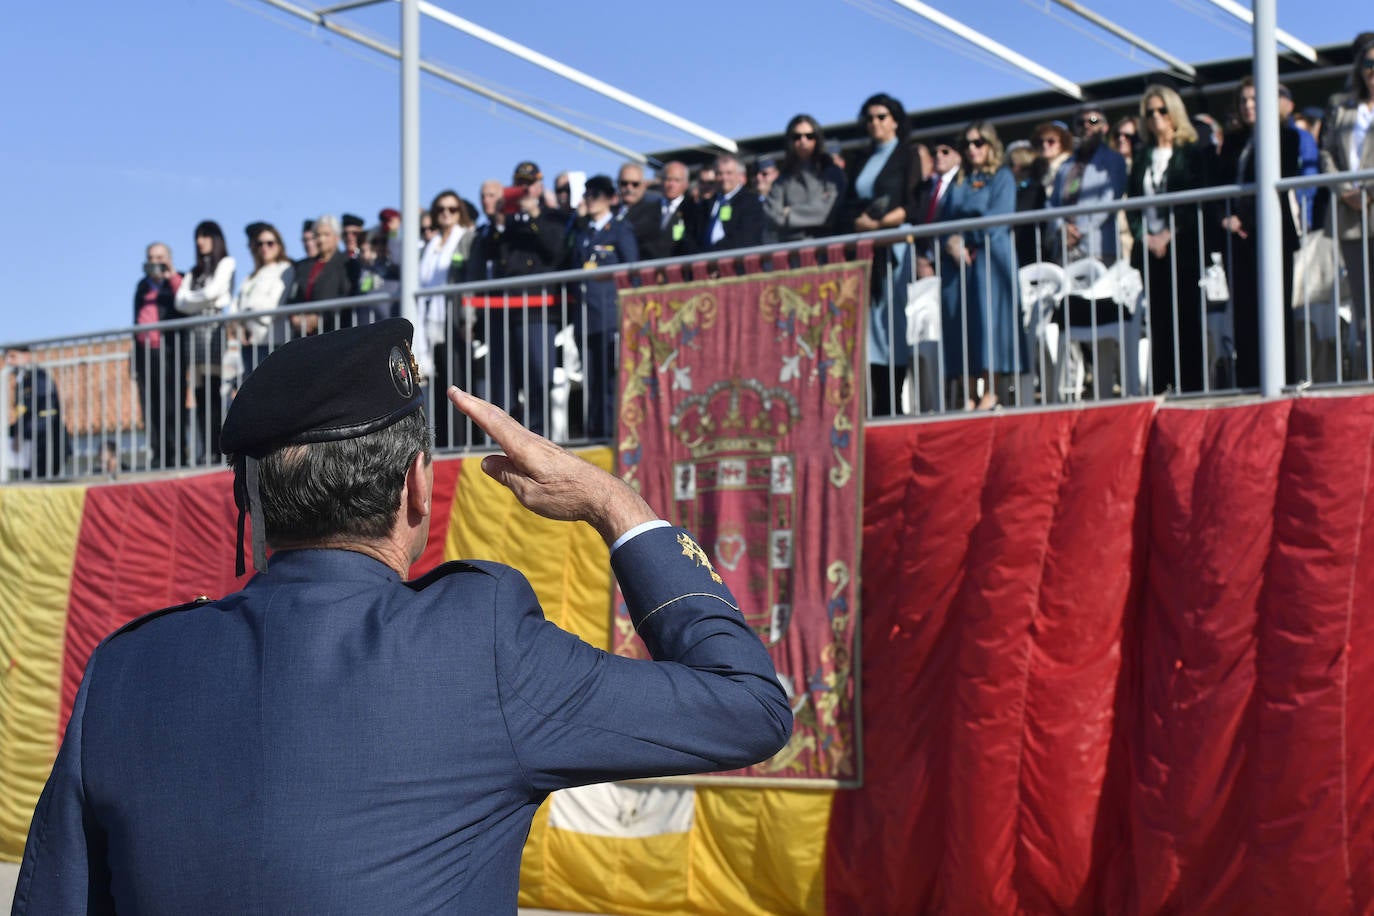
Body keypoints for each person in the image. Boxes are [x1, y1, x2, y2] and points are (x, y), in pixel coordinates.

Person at [12, 318, 790, 913]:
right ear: (418, 489)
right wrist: (612, 503)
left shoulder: (127, 669)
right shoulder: (478, 644)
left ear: (254, 502)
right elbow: (749, 705)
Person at [1215, 77, 1302, 388]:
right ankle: (1250, 380)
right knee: (1244, 312)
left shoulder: (1287, 136)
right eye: (1243, 101)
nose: (1248, 106)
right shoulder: (1234, 140)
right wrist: (1228, 217)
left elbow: (1279, 181)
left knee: (1277, 310)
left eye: (1254, 99)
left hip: (1273, 236)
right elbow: (1221, 183)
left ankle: (1283, 380)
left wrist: (1246, 220)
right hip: (1236, 240)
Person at [839, 92, 922, 416]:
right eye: (870, 118)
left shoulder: (906, 155)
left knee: (892, 328)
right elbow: (847, 202)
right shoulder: (860, 158)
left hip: (893, 249)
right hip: (867, 249)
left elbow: (910, 200)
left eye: (881, 117)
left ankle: (893, 402)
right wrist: (860, 224)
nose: (875, 123)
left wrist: (880, 224)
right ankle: (877, 404)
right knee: (871, 329)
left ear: (895, 120)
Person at [1129, 84, 1212, 394]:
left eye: (1162, 110)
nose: (1155, 118)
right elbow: (1132, 204)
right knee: (1159, 321)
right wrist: (1146, 237)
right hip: (1151, 250)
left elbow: (1195, 200)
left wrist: (1169, 234)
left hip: (1183, 248)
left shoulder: (1191, 152)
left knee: (1187, 318)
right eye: (1149, 113)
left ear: (1174, 112)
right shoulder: (1142, 157)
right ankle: (1162, 385)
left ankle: (1191, 386)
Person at [939, 121, 1018, 411]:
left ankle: (991, 390)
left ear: (990, 145)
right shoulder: (957, 181)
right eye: (967, 144)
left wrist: (967, 237)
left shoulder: (1002, 177)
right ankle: (968, 393)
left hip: (989, 261)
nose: (972, 150)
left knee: (989, 323)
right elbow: (943, 220)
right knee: (961, 323)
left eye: (978, 143)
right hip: (958, 265)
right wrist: (951, 241)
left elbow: (998, 217)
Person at [491, 161, 565, 435]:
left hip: (537, 308)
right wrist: (498, 223)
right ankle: (507, 436)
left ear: (539, 185)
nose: (524, 189)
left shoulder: (551, 216)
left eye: (529, 183)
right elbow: (498, 259)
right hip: (506, 309)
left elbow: (555, 250)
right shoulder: (509, 220)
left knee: (537, 378)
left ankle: (540, 435)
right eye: (519, 183)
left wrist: (534, 215)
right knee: (506, 380)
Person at [567, 174, 639, 440]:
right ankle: (595, 430)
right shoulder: (584, 231)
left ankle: (610, 432)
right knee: (592, 379)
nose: (590, 200)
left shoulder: (620, 229)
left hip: (610, 314)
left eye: (596, 195)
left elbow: (631, 268)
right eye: (587, 195)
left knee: (609, 379)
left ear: (610, 199)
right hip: (586, 315)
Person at [1320, 34, 1374, 377]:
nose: (1373, 70)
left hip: (1370, 200)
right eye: (1368, 63)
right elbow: (1326, 152)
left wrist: (1368, 191)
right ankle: (1368, 373)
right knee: (1362, 303)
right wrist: (1344, 190)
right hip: (1349, 214)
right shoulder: (1342, 107)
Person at [417, 188, 477, 447]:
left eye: (452, 209)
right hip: (428, 322)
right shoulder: (430, 244)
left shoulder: (467, 238)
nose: (446, 214)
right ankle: (442, 442)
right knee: (439, 385)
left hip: (453, 319)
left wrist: (468, 319)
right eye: (441, 209)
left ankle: (461, 441)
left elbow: (469, 282)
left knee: (457, 385)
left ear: (459, 211)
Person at [175, 220, 235, 463]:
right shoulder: (194, 272)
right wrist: (200, 299)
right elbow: (180, 302)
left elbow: (216, 294)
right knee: (199, 393)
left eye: (205, 236)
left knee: (213, 390)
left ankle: (217, 447)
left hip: (213, 331)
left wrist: (194, 299)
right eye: (197, 236)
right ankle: (205, 448)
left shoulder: (226, 263)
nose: (200, 241)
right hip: (194, 334)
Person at [1048, 104, 1129, 265]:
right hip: (1065, 250)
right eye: (1080, 122)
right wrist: (1061, 229)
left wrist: (1079, 231)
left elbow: (1110, 200)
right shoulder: (1065, 166)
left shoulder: (1114, 160)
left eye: (1093, 121)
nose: (1086, 126)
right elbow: (1052, 202)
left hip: (1098, 249)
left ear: (1104, 127)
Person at [131, 241, 183, 468]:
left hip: (169, 350)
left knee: (171, 403)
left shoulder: (178, 279)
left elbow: (184, 301)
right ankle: (158, 453)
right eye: (151, 257)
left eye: (160, 257)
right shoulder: (142, 285)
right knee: (150, 405)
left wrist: (170, 275)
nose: (155, 262)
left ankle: (176, 453)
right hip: (145, 352)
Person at [764, 113, 847, 243]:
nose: (803, 141)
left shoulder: (832, 173)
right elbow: (772, 214)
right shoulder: (782, 180)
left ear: (817, 138)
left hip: (826, 246)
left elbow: (829, 212)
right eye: (797, 137)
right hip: (792, 250)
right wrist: (814, 209)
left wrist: (789, 212)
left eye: (809, 136)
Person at [230, 223, 292, 377]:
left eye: (270, 243)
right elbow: (234, 308)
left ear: (279, 244)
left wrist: (246, 313)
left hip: (272, 343)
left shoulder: (285, 269)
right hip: (249, 346)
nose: (265, 247)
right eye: (260, 244)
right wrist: (238, 325)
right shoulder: (251, 276)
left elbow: (272, 307)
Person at [5, 345, 69, 479]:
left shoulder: (38, 377)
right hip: (33, 449)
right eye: (7, 357)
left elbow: (46, 412)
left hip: (48, 446)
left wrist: (19, 433)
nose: (8, 361)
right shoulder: (21, 382)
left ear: (26, 357)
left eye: (13, 356)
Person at [288, 214, 357, 336]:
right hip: (304, 336)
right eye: (318, 235)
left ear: (337, 237)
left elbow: (347, 295)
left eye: (326, 235)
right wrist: (295, 317)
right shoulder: (303, 266)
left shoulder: (347, 263)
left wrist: (320, 318)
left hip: (334, 332)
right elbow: (293, 295)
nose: (321, 239)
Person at [700, 153, 765, 251]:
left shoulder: (751, 202)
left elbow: (745, 236)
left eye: (729, 173)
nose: (723, 178)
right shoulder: (706, 204)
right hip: (702, 261)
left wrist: (712, 252)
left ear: (740, 176)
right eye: (719, 174)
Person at [641, 160, 699, 261]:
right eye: (668, 179)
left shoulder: (693, 209)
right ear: (661, 182)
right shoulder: (647, 210)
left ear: (686, 184)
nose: (671, 184)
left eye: (677, 180)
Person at [615, 162, 660, 257]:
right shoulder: (611, 211)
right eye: (624, 183)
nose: (629, 188)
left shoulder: (654, 209)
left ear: (644, 185)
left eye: (635, 184)